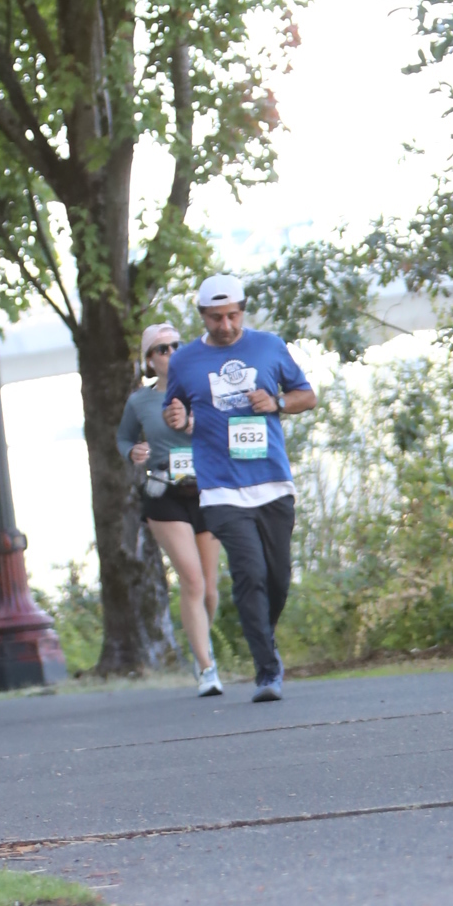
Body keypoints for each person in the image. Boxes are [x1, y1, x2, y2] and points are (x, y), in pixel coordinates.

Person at [164, 273, 314, 704]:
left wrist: (277, 402)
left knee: (278, 578)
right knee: (249, 573)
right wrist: (177, 419)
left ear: (243, 311)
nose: (226, 325)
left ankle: (265, 639)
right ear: (202, 316)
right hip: (221, 488)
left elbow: (307, 395)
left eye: (232, 316)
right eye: (216, 318)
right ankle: (267, 670)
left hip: (272, 482)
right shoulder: (184, 361)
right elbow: (175, 410)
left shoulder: (269, 346)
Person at [118, 315, 223, 694]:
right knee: (192, 580)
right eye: (162, 349)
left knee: (209, 590)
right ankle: (208, 669)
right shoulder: (140, 400)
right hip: (164, 492)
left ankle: (200, 647)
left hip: (207, 489)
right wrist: (133, 451)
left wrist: (197, 424)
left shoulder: (205, 389)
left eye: (177, 345)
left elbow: (226, 430)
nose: (172, 353)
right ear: (150, 360)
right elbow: (123, 438)